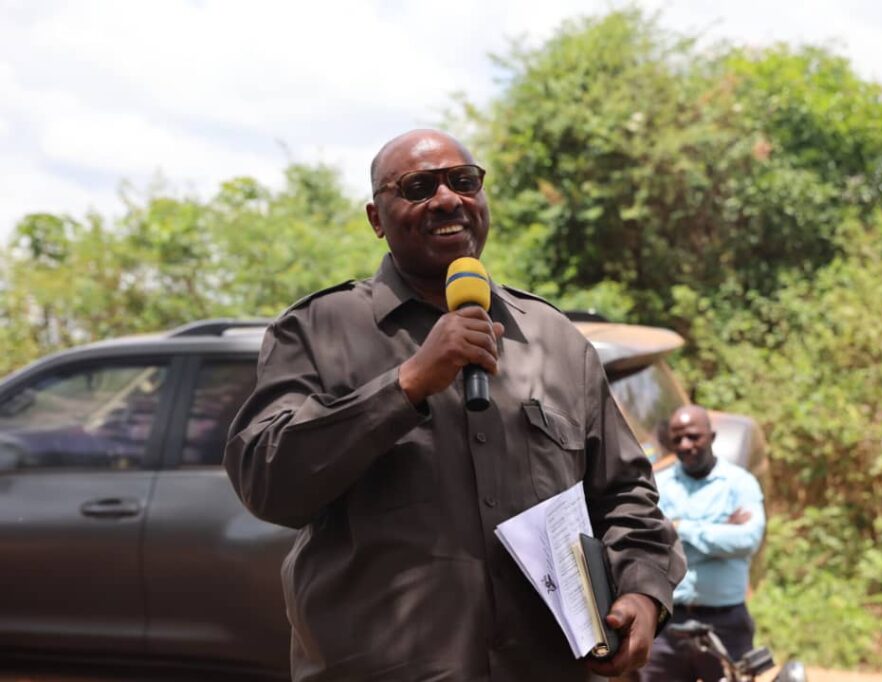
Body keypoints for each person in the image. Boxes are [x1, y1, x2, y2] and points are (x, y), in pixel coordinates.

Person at [224, 129, 685, 682]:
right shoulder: (318, 330)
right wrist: (406, 384)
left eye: (464, 181)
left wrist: (642, 591)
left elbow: (626, 494)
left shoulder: (555, 338)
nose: (447, 199)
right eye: (418, 187)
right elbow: (266, 482)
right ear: (376, 218)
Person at [641, 405, 766, 682]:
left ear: (712, 436)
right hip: (668, 624)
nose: (686, 445)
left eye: (693, 436)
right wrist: (720, 533)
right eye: (678, 439)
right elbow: (650, 542)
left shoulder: (739, 483)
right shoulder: (658, 485)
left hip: (726, 623)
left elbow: (747, 540)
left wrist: (681, 529)